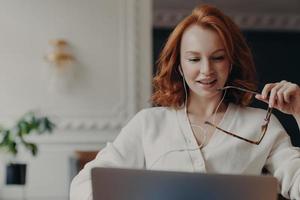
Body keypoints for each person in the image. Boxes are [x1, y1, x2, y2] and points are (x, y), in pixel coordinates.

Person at [70, 4, 300, 200]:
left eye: (218, 58)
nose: (206, 70)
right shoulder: (148, 124)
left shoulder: (261, 124)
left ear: (231, 62)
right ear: (179, 65)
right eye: (194, 59)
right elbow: (83, 185)